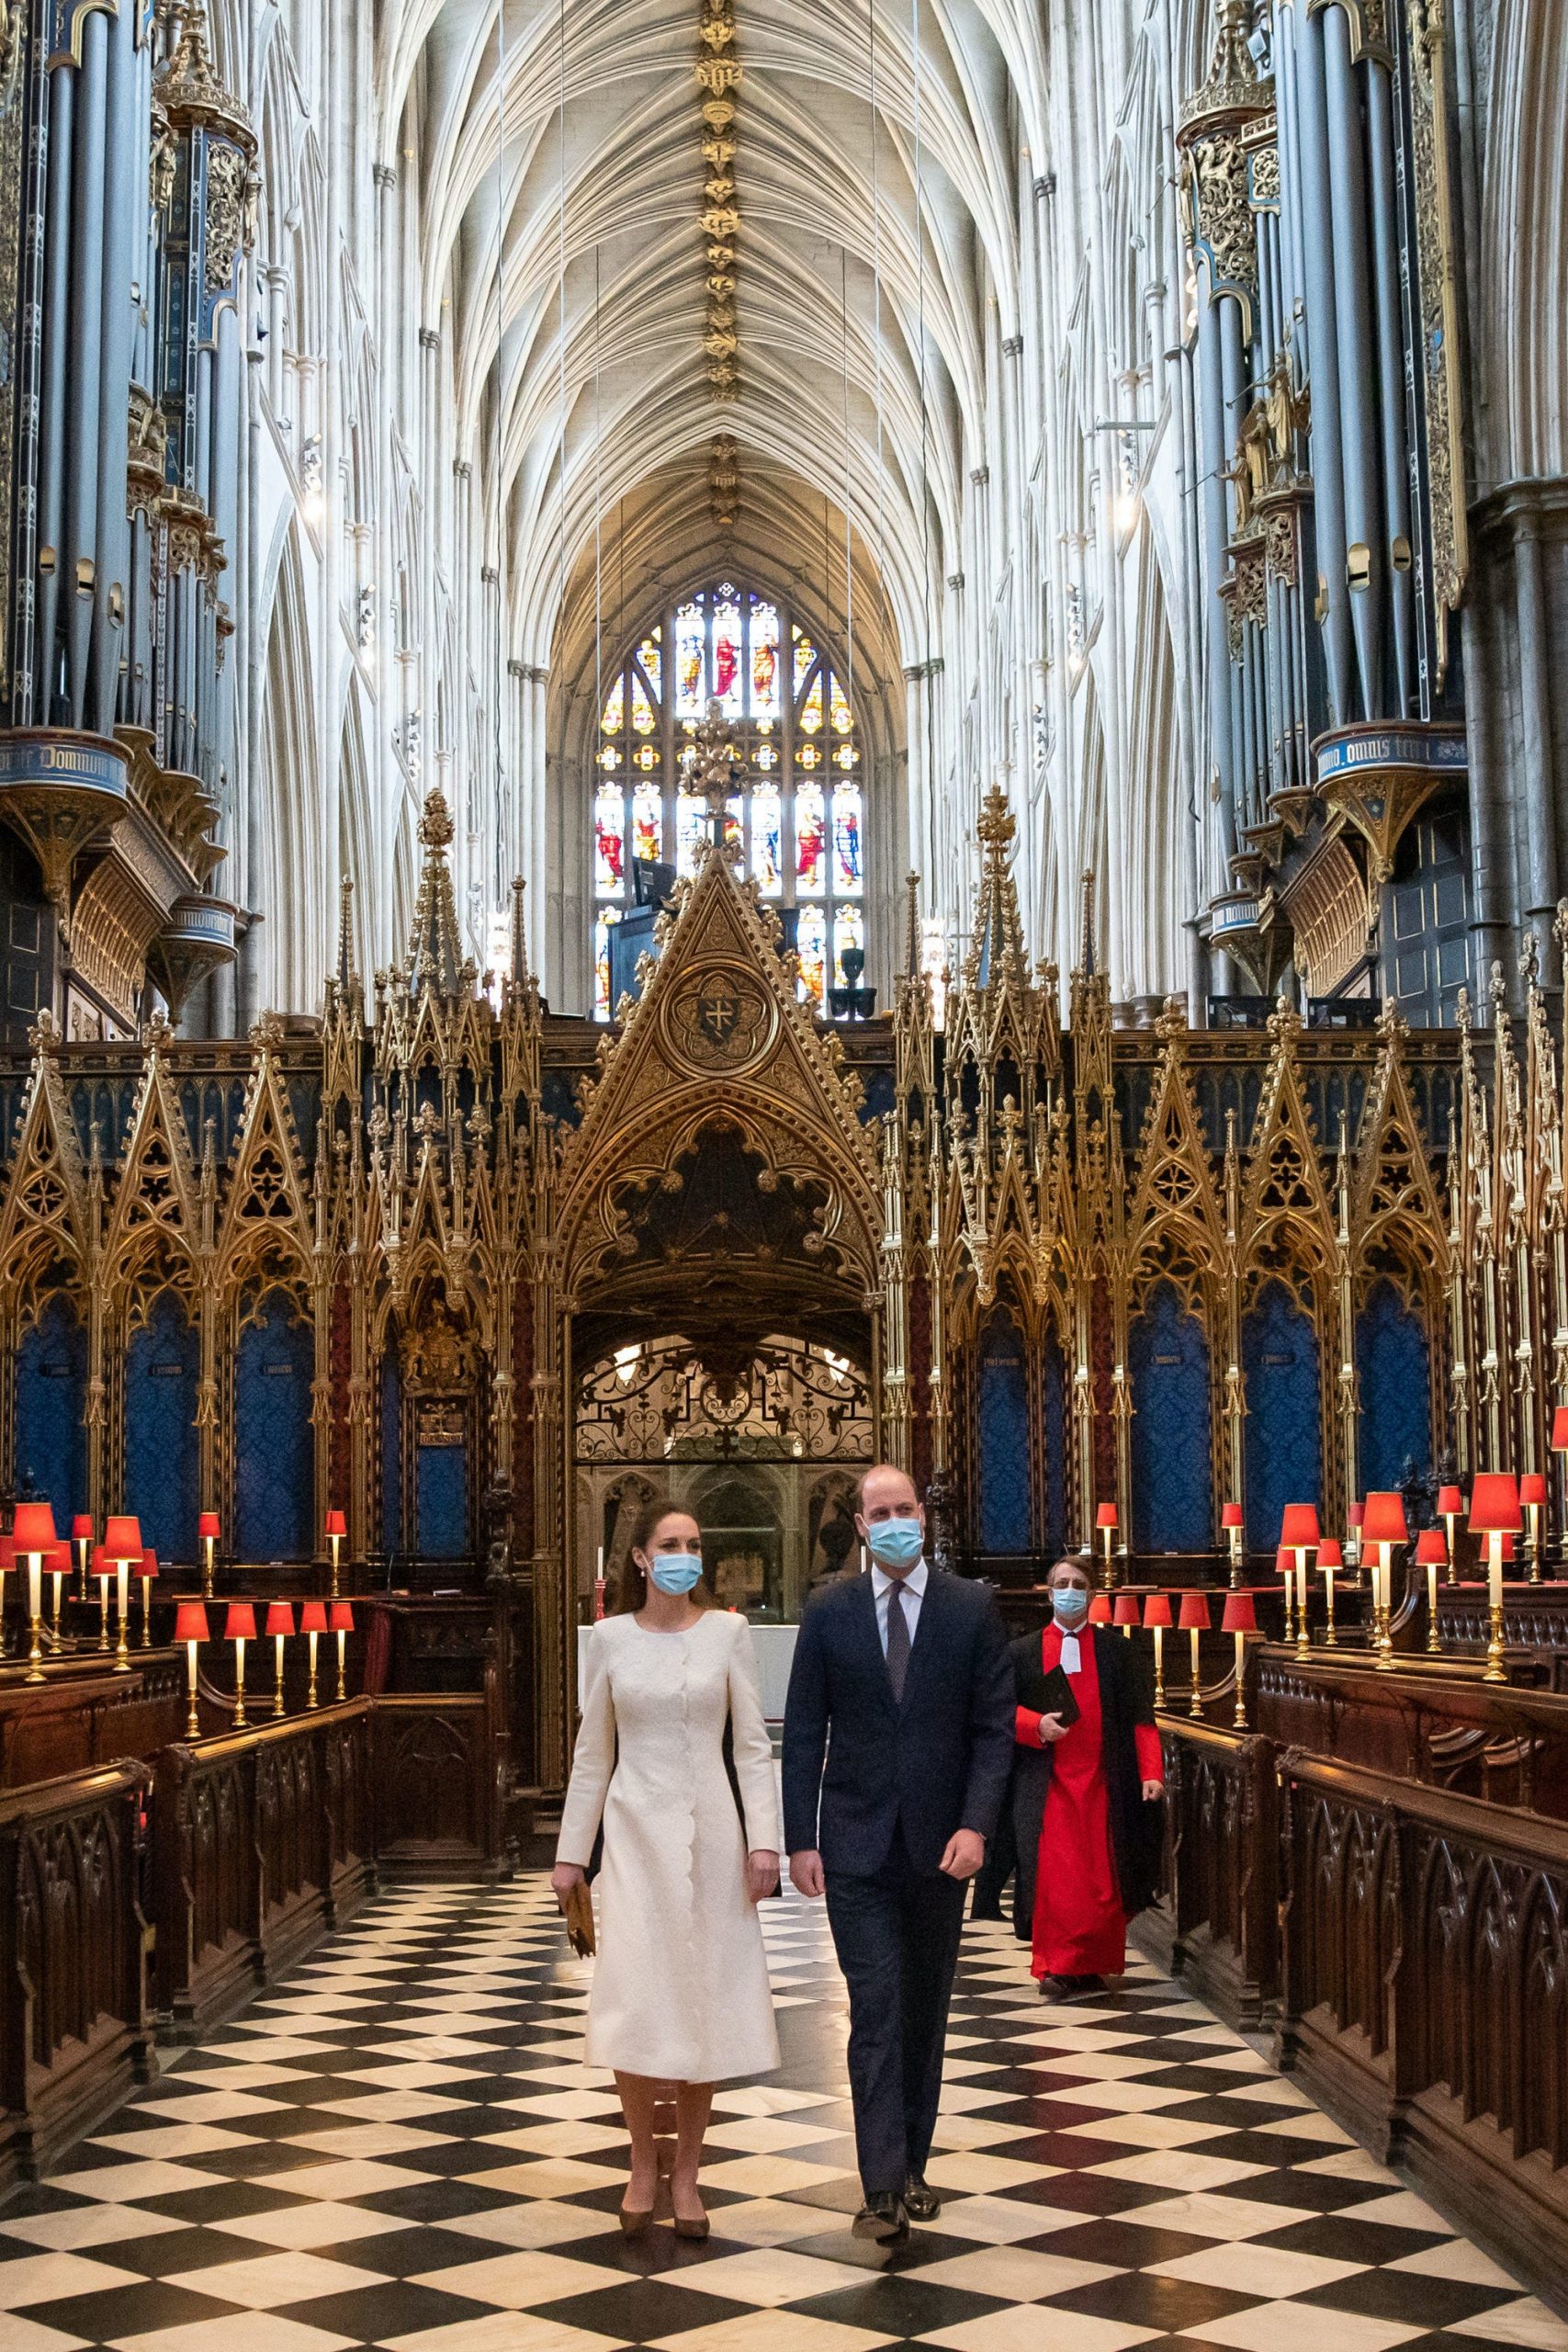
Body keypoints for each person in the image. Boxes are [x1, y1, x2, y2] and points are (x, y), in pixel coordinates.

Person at [782, 1462, 1013, 2246]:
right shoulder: (828, 1610)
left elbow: (990, 1731)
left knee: (923, 2011)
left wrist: (977, 1825)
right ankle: (879, 2187)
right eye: (877, 1512)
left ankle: (912, 2164)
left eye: (903, 1508)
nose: (893, 1522)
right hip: (853, 1846)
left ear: (924, 1516)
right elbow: (803, 1732)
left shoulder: (970, 1606)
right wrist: (800, 1840)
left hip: (940, 1847)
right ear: (857, 1526)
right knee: (875, 2010)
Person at [552, 1499, 781, 2240]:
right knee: (637, 1995)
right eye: (670, 1544)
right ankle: (640, 2162)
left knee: (701, 1998)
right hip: (633, 1837)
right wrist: (568, 1855)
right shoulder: (610, 1639)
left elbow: (750, 1747)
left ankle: (686, 2171)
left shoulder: (729, 1633)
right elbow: (593, 1754)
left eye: (694, 1543)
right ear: (642, 1559)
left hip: (714, 1836)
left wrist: (763, 1844)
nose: (686, 1554)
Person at [1010, 1555, 1165, 2000]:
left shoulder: (1119, 1652)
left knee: (1102, 1883)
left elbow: (1142, 1720)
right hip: (1049, 1784)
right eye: (1061, 1583)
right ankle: (1057, 1966)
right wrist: (1034, 1726)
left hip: (1104, 1782)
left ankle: (1091, 1965)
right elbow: (997, 1711)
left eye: (1078, 1583)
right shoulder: (1021, 1652)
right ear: (1048, 1590)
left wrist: (1151, 1772)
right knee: (1058, 1882)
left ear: (1093, 1594)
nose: (1069, 1590)